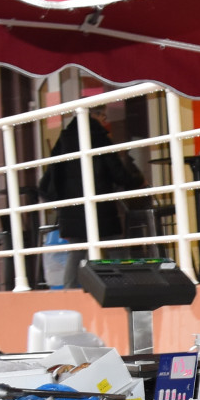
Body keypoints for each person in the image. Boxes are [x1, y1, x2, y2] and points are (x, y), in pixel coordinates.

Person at [36, 104, 148, 286]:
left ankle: (70, 295)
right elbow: (118, 173)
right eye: (103, 117)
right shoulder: (98, 138)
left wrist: (62, 203)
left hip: (72, 211)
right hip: (99, 209)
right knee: (115, 248)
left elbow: (48, 179)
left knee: (77, 253)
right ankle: (125, 289)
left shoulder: (64, 139)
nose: (105, 121)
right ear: (94, 115)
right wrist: (138, 181)